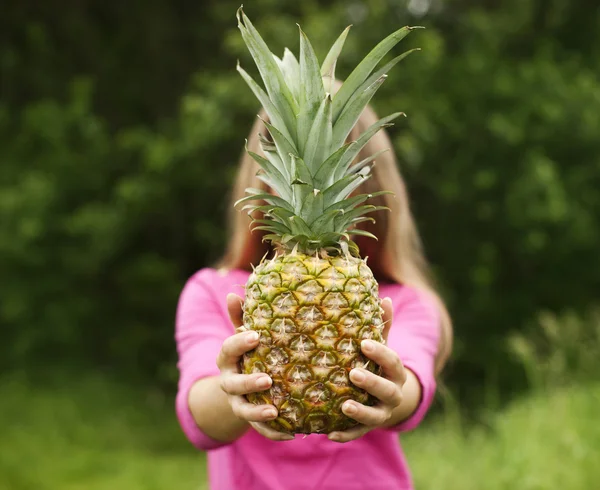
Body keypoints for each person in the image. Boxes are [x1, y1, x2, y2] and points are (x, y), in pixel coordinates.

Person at [175, 97, 453, 490]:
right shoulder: (211, 290)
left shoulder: (405, 301)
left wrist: (391, 392)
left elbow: (411, 384)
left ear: (369, 183)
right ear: (263, 176)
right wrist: (233, 391)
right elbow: (198, 416)